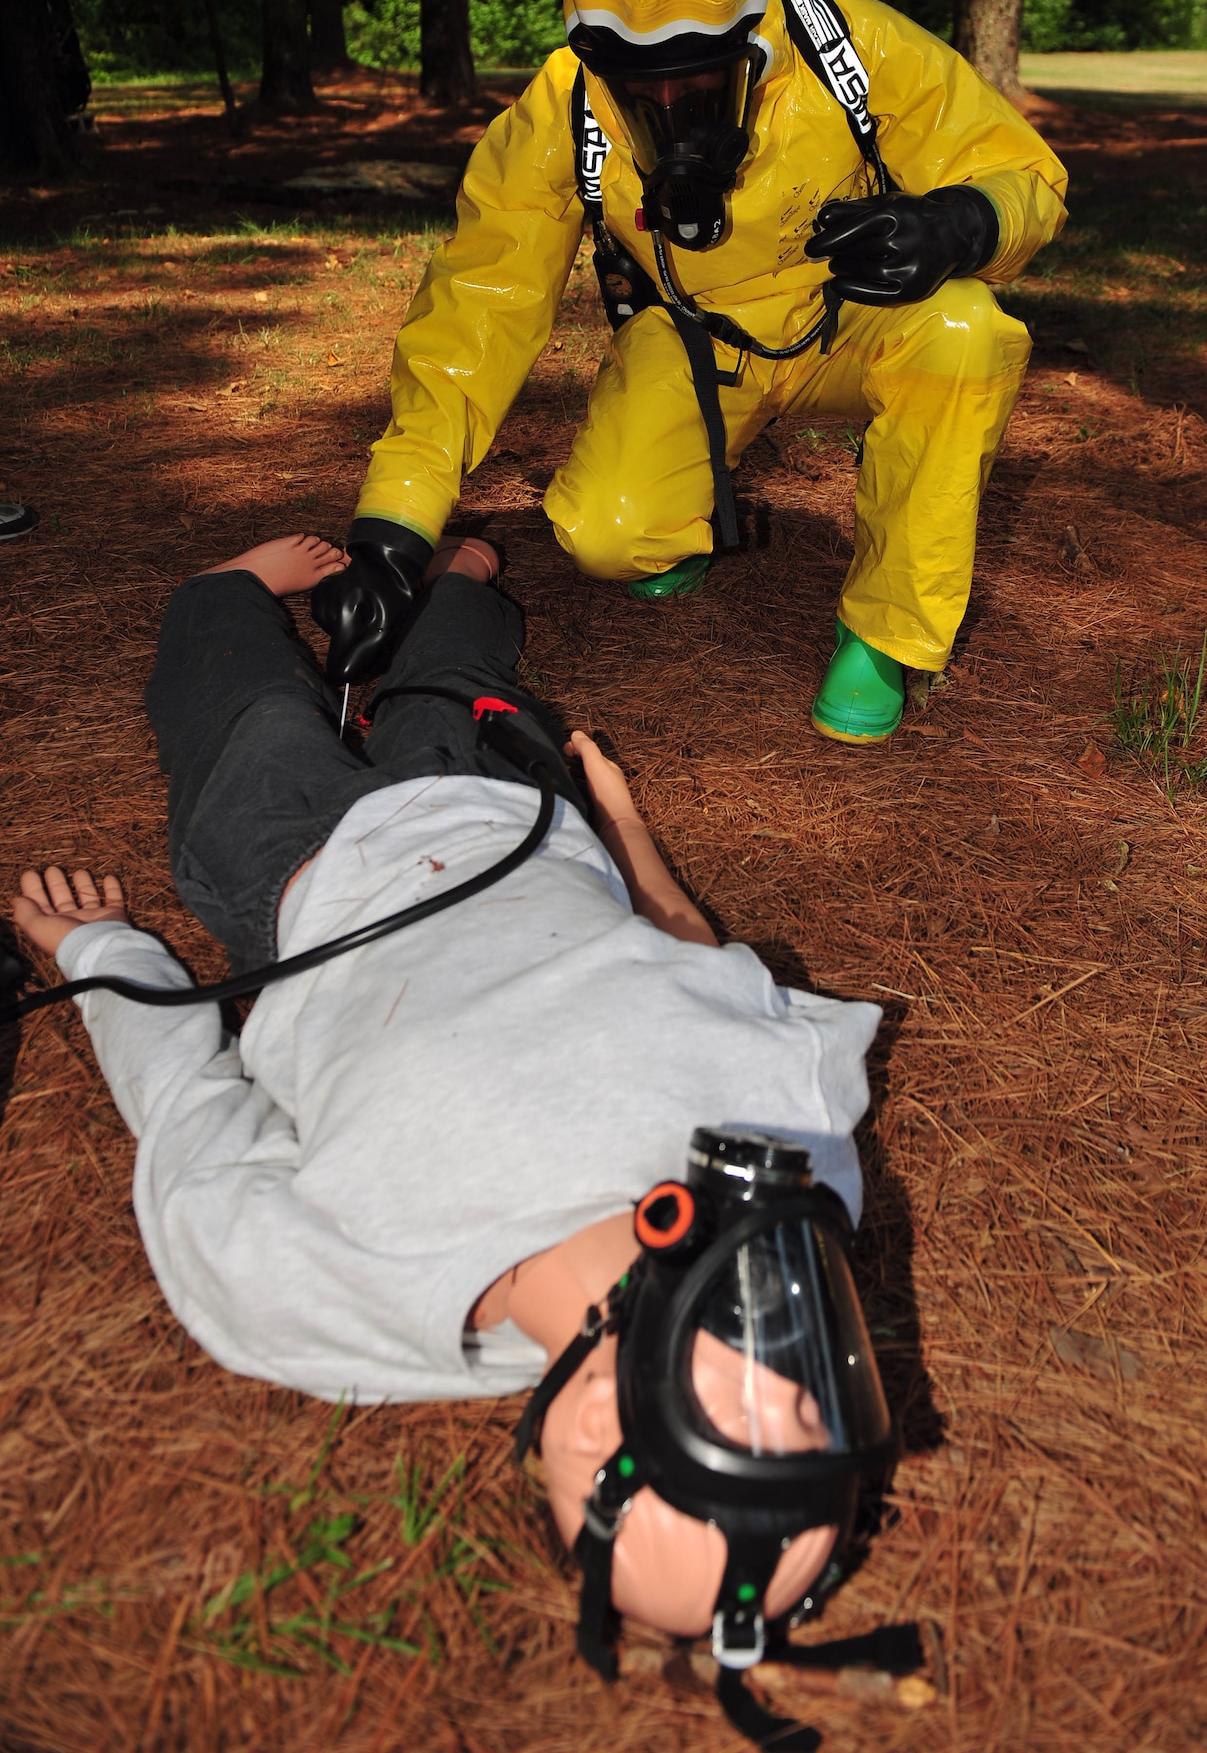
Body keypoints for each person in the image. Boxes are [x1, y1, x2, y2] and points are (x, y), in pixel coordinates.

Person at [13, 531, 909, 1742]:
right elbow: (702, 964)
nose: (803, 1343)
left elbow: (190, 1111)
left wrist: (100, 954)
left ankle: (233, 586)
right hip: (512, 814)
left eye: (767, 1410)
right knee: (454, 650)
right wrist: (625, 829)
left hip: (296, 867)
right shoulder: (792, 1160)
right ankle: (461, 583)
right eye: (831, 1394)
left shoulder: (333, 1293)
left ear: (601, 1423)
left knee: (225, 665)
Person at [312, 0, 1068, 746]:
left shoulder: (847, 50)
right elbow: (477, 306)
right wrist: (391, 533)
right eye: (641, 85)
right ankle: (679, 524)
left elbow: (1022, 172)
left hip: (853, 323)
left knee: (969, 333)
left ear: (752, 33)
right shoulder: (564, 111)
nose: (670, 109)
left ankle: (886, 634)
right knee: (604, 534)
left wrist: (959, 225)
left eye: (697, 79)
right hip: (696, 336)